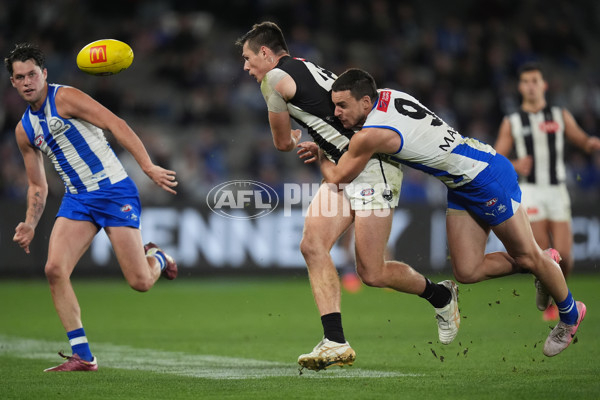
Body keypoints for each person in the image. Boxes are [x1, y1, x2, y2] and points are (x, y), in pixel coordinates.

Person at [236, 22, 460, 371]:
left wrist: (295, 139)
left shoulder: (273, 80)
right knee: (312, 245)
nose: (246, 67)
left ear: (266, 53)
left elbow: (281, 143)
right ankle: (335, 341)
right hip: (345, 163)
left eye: (249, 58)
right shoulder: (305, 64)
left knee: (371, 272)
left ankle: (441, 295)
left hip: (371, 166)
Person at [318, 68, 586, 357]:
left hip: (485, 178)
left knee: (526, 255)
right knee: (467, 271)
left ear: (367, 103)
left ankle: (570, 315)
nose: (336, 112)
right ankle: (543, 262)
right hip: (459, 183)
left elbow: (337, 177)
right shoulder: (391, 96)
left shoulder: (372, 135)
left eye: (342, 105)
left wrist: (320, 150)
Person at [5, 43, 179, 372]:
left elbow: (117, 124)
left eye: (32, 74)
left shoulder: (66, 97)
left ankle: (157, 257)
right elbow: (38, 185)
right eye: (19, 77)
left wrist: (147, 167)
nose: (27, 82)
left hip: (114, 191)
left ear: (43, 74)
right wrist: (30, 222)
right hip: (78, 200)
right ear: (12, 83)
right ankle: (83, 354)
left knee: (140, 282)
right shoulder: (24, 131)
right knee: (54, 270)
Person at [494, 62, 600, 320]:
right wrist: (516, 164)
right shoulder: (513, 121)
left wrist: (592, 143)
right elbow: (496, 158)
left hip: (557, 191)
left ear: (544, 85)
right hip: (530, 190)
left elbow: (581, 139)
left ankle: (547, 291)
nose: (531, 86)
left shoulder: (559, 115)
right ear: (520, 87)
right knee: (543, 252)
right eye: (526, 81)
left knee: (566, 258)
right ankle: (551, 301)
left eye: (535, 81)